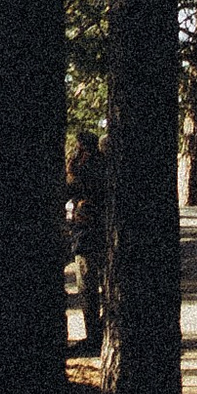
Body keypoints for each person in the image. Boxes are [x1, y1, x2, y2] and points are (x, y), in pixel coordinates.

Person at [64, 129, 108, 355]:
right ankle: (100, 333)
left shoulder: (88, 170)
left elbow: (70, 188)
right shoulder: (103, 167)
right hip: (96, 235)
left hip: (89, 236)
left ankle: (94, 337)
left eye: (79, 149)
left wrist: (71, 172)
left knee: (88, 288)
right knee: (100, 288)